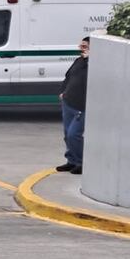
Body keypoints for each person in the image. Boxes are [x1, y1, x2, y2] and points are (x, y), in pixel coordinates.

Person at [57, 36, 90, 175]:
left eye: (84, 46)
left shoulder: (95, 64)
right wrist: (63, 92)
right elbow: (69, 76)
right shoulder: (78, 61)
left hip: (81, 106)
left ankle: (82, 162)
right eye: (80, 46)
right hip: (68, 102)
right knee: (67, 134)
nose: (80, 49)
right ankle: (71, 160)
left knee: (73, 135)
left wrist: (89, 60)